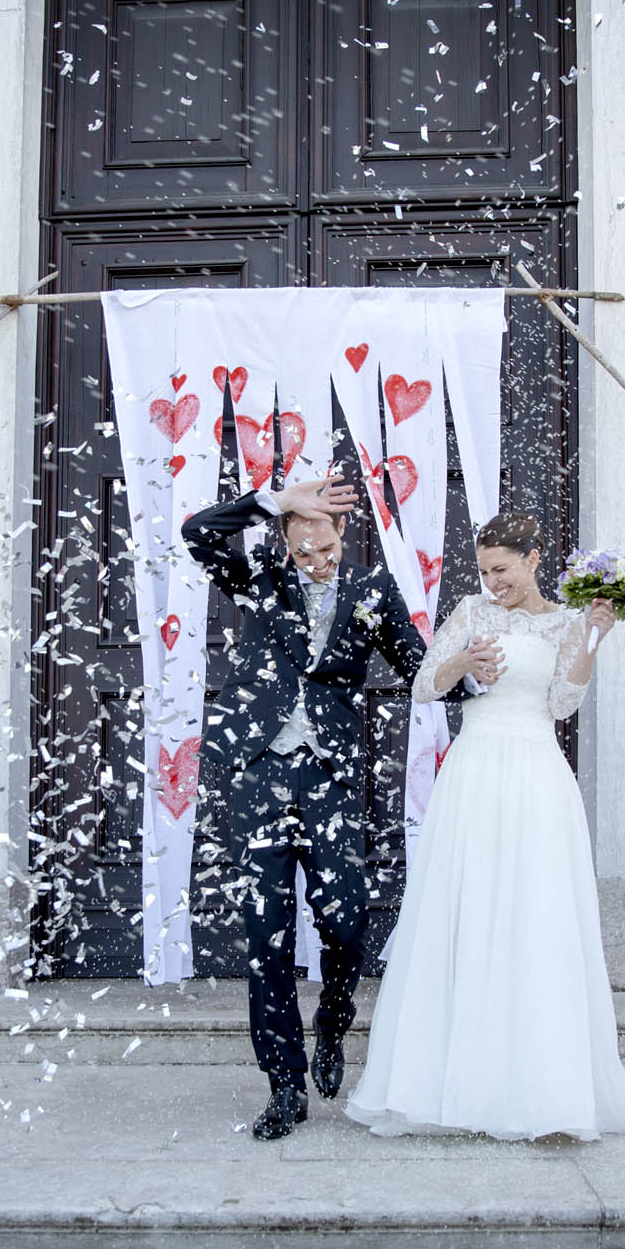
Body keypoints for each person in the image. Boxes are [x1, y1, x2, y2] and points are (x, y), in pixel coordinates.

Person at [346, 512, 625, 1140]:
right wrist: (463, 662)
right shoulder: (471, 612)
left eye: (501, 570)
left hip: (536, 773)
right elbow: (425, 684)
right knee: (468, 910)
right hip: (476, 770)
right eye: (483, 571)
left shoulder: (566, 620)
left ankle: (538, 1085)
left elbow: (563, 702)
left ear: (534, 561)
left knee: (535, 915)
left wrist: (592, 639)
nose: (492, 582)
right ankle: (451, 1082)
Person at [183, 473, 434, 1140]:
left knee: (346, 919)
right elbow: (198, 535)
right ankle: (284, 1083)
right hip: (259, 773)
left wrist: (483, 674)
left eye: (325, 549)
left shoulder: (372, 590)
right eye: (303, 550)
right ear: (287, 542)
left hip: (328, 778)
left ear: (341, 534)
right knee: (266, 937)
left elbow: (421, 669)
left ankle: (334, 1014)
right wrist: (272, 500)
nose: (317, 561)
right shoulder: (262, 575)